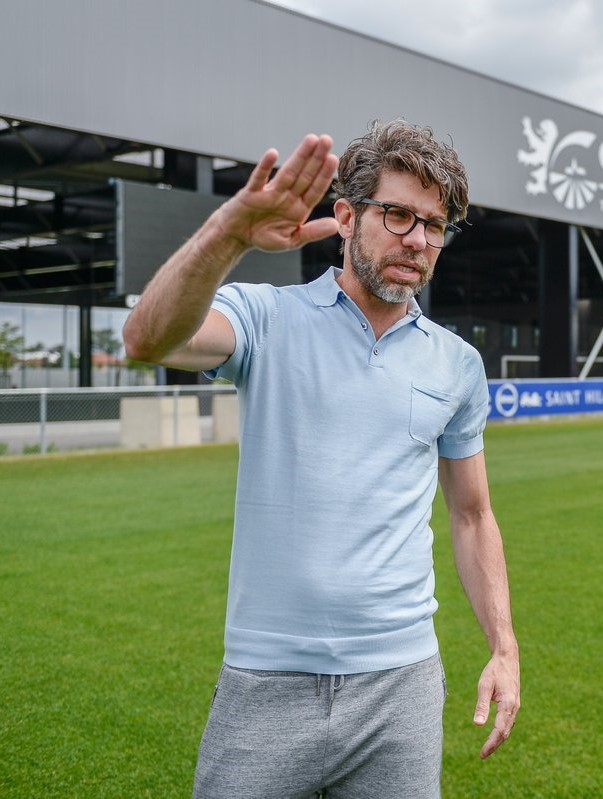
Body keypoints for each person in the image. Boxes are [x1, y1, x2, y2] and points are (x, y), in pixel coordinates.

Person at [124, 120, 520, 798]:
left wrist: (504, 647)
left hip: (402, 687)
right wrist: (229, 235)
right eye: (398, 214)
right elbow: (146, 340)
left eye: (435, 225)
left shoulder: (458, 364)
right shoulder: (267, 317)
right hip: (266, 681)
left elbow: (473, 514)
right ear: (345, 216)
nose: (418, 240)